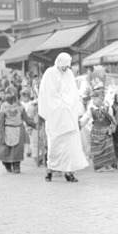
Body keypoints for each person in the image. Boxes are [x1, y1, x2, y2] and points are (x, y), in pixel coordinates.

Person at [38, 53, 89, 183]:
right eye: (63, 66)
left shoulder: (70, 74)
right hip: (55, 116)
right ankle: (50, 170)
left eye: (67, 67)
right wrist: (61, 102)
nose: (65, 69)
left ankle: (69, 172)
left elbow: (73, 92)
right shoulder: (50, 73)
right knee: (55, 144)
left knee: (70, 146)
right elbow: (48, 93)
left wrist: (70, 104)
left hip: (68, 115)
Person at [0, 86, 36, 173]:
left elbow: (27, 119)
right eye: (8, 94)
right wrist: (1, 133)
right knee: (6, 150)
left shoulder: (20, 106)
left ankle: (16, 165)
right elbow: (0, 121)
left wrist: (35, 125)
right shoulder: (3, 106)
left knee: (17, 150)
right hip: (7, 130)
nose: (9, 96)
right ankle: (7, 165)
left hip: (18, 129)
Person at [86, 84, 116, 172]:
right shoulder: (91, 109)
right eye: (93, 99)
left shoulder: (107, 107)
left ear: (102, 98)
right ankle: (99, 166)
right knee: (97, 149)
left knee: (108, 148)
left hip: (106, 130)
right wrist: (80, 125)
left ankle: (108, 165)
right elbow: (86, 118)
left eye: (96, 98)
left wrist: (112, 126)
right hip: (96, 131)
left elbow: (111, 117)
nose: (94, 101)